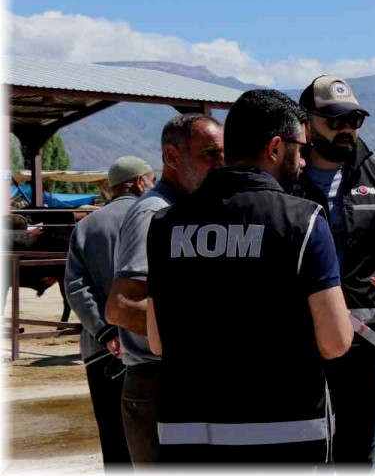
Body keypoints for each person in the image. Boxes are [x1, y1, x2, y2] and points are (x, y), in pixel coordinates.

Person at [145, 89, 352, 463]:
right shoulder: (302, 222)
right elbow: (335, 341)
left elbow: (158, 342)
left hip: (188, 437)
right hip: (286, 436)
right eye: (300, 149)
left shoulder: (164, 225)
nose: (304, 161)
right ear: (275, 148)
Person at [292, 74, 375, 466]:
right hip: (299, 344)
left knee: (358, 457)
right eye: (335, 120)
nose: (347, 128)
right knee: (304, 454)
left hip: (366, 346)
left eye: (355, 119)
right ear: (306, 121)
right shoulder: (284, 180)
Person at [106, 113, 224, 467]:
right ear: (172, 158)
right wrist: (206, 334)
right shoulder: (154, 213)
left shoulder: (186, 208)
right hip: (154, 384)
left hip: (178, 378)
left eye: (224, 155)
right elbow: (122, 306)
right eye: (210, 155)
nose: (222, 165)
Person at [65, 156, 154, 468]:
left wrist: (105, 333)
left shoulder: (87, 226)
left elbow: (75, 287)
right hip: (150, 353)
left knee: (114, 443)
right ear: (141, 182)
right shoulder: (156, 216)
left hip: (101, 354)